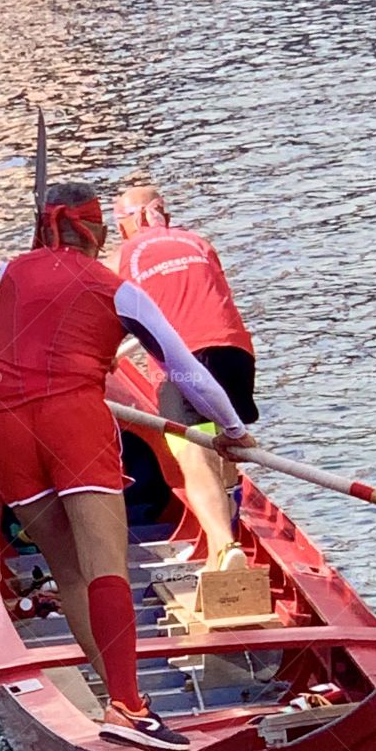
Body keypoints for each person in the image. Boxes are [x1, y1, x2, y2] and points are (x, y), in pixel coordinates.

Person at [0, 181, 257, 751]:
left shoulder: (11, 272)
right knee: (105, 563)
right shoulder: (119, 290)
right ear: (100, 233)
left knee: (70, 571)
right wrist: (232, 430)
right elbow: (185, 373)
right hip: (71, 423)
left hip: (3, 423)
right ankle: (128, 708)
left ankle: (124, 700)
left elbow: (39, 304)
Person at [111, 186, 259, 571]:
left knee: (194, 454)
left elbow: (114, 313)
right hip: (235, 353)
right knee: (228, 444)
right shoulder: (198, 242)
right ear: (165, 215)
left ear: (126, 224)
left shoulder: (122, 256)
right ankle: (225, 545)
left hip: (182, 362)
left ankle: (226, 549)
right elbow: (203, 299)